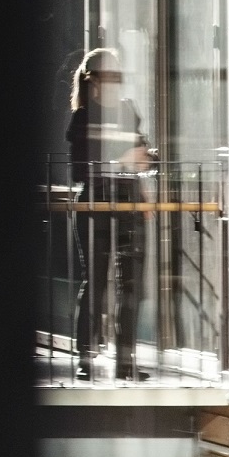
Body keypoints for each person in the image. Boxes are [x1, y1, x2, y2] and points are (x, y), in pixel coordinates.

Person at [66, 50, 153, 380]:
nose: (119, 83)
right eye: (113, 76)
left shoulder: (129, 110)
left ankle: (126, 361)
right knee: (97, 283)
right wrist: (123, 161)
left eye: (121, 76)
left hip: (128, 207)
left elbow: (142, 156)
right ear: (95, 82)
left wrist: (144, 174)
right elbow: (79, 172)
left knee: (131, 286)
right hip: (95, 208)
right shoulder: (83, 118)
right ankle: (86, 359)